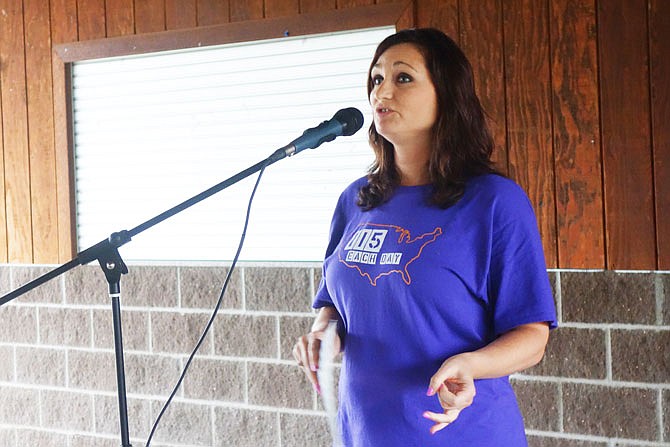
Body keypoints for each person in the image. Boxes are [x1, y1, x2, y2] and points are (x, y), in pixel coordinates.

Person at [292, 28, 557, 446]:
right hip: (366, 432)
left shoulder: (494, 202)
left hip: (460, 432)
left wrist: (471, 364)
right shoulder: (355, 201)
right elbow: (334, 305)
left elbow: (532, 336)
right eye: (376, 79)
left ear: (446, 94)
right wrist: (324, 332)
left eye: (403, 78)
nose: (383, 92)